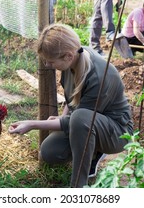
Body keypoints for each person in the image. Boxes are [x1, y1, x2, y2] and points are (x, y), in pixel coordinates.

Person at [8, 24, 133, 188]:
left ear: (67, 56)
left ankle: (77, 188)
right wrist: (63, 116)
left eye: (50, 61)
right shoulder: (73, 59)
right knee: (50, 151)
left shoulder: (99, 76)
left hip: (116, 132)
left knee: (80, 119)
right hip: (85, 122)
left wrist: (32, 124)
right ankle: (92, 150)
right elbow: (72, 99)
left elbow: (79, 119)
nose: (47, 65)